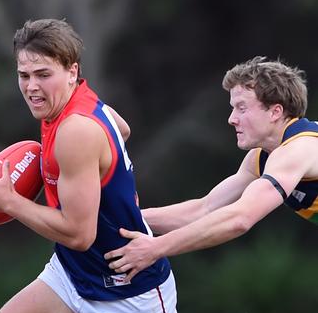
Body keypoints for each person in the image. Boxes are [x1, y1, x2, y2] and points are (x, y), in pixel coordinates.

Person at [0, 19, 177, 313]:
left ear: (72, 72)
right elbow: (121, 130)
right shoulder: (72, 104)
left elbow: (79, 235)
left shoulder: (75, 131)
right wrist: (94, 172)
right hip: (73, 276)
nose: (32, 86)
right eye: (24, 75)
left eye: (43, 75)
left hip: (129, 294)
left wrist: (8, 201)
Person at [104, 56, 318, 282]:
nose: (231, 119)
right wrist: (121, 218)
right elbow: (204, 209)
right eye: (233, 108)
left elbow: (240, 218)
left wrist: (155, 248)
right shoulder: (261, 157)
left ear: (275, 112)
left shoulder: (297, 150)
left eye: (241, 108)